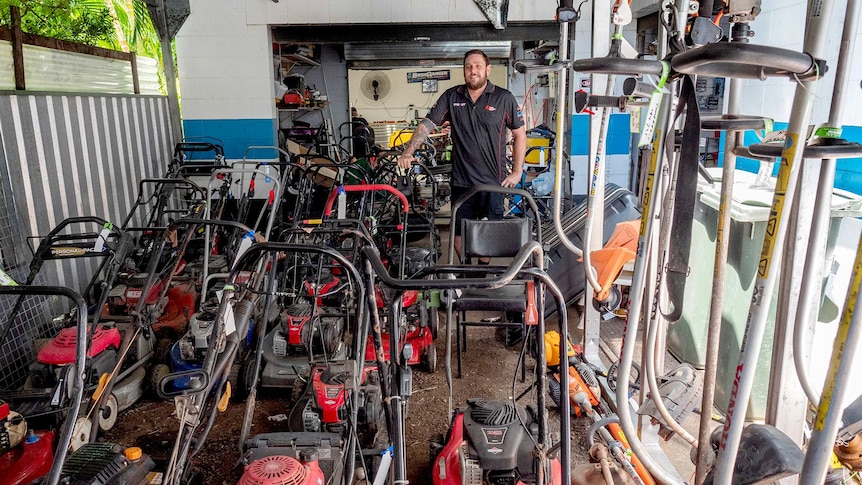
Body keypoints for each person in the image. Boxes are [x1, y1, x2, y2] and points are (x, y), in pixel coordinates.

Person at [397, 49, 526, 261]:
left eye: (477, 66)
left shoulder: (504, 98)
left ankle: (480, 275)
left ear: (487, 69)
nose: (473, 70)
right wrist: (408, 151)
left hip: (494, 181)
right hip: (462, 182)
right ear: (464, 71)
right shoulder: (451, 96)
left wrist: (517, 171)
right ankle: (467, 268)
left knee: (490, 234)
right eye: (468, 67)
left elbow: (520, 134)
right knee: (457, 234)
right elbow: (428, 124)